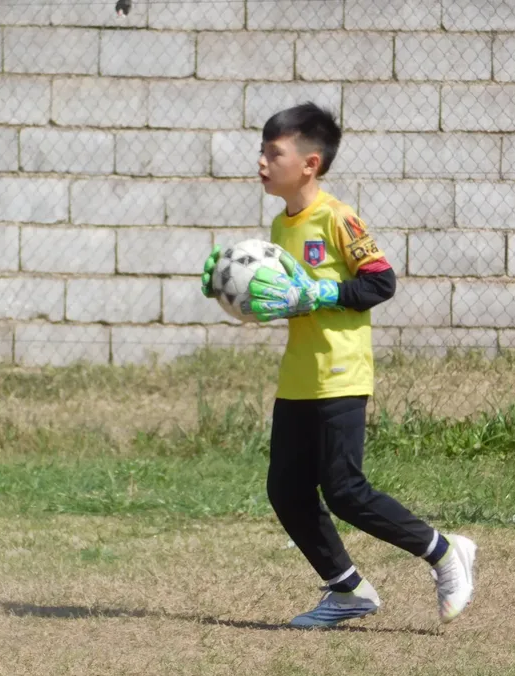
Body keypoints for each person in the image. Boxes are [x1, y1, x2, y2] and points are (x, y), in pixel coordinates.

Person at [201, 102, 478, 628]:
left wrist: (322, 291)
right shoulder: (279, 227)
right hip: (299, 376)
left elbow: (380, 281)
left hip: (340, 373)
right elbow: (277, 301)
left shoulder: (337, 217)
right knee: (285, 489)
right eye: (261, 151)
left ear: (309, 162)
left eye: (272, 152)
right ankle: (348, 591)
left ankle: (445, 552)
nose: (261, 161)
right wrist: (229, 288)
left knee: (346, 491)